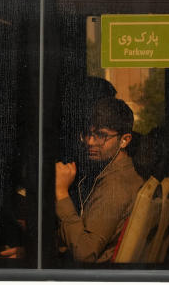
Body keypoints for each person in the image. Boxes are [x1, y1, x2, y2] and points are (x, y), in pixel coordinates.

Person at [55, 97, 144, 263]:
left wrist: (61, 192)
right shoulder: (119, 173)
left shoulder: (115, 186)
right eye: (88, 134)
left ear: (124, 140)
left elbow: (85, 253)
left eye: (101, 135)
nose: (90, 142)